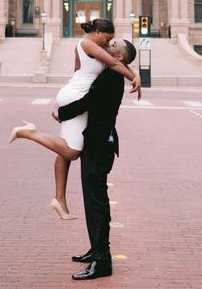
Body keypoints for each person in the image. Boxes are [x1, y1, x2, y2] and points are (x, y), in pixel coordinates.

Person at [9, 19, 140, 220]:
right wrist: (134, 77)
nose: (108, 43)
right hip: (78, 97)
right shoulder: (87, 44)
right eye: (108, 38)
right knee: (71, 151)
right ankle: (28, 133)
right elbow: (114, 62)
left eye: (112, 41)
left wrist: (133, 72)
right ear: (97, 32)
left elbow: (83, 70)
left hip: (74, 92)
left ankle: (59, 200)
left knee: (63, 149)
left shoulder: (91, 48)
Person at [55, 38, 137, 281]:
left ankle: (102, 261)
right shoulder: (109, 71)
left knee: (96, 203)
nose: (108, 46)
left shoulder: (111, 77)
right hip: (97, 143)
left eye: (114, 45)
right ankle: (97, 250)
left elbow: (87, 103)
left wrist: (60, 114)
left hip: (99, 146)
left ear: (119, 57)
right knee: (95, 201)